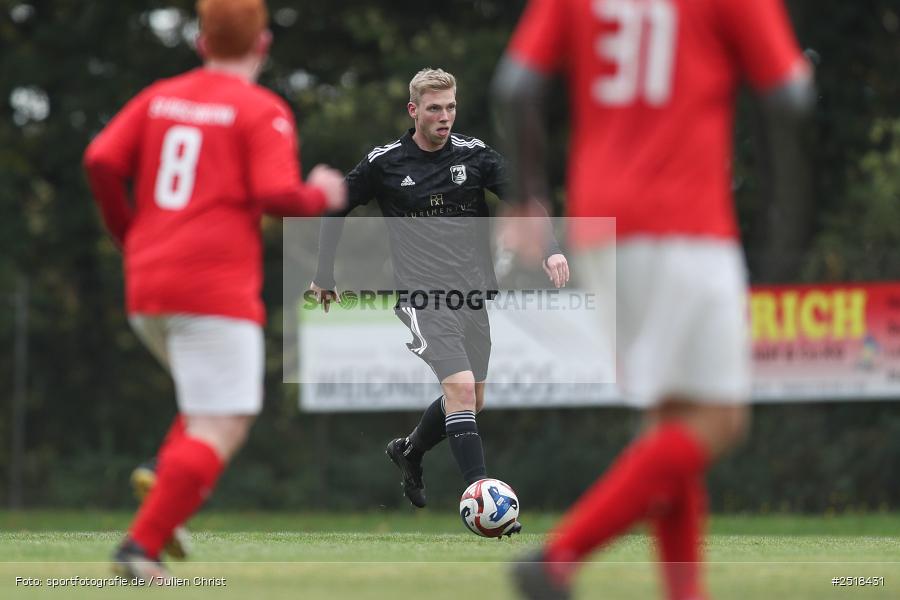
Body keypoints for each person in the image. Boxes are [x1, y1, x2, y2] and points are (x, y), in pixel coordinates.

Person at [492, 0, 814, 597]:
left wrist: (526, 197)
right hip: (686, 222)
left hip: (600, 225)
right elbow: (789, 94)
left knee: (671, 417)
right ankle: (560, 556)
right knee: (720, 419)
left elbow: (516, 86)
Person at [83, 0, 346, 577]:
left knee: (205, 407)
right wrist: (320, 195)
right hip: (210, 285)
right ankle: (141, 546)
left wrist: (130, 234)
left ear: (201, 42)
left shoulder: (159, 97)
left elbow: (101, 158)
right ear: (264, 44)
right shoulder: (262, 110)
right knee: (225, 419)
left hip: (148, 284)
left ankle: (167, 484)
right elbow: (279, 197)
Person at [309, 68, 568, 525]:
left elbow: (526, 201)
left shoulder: (475, 156)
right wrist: (323, 275)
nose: (444, 116)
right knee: (461, 390)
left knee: (472, 401)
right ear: (414, 111)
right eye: (434, 108)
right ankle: (486, 501)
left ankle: (409, 450)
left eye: (450, 107)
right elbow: (335, 208)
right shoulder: (384, 162)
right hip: (421, 297)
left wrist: (550, 250)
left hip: (471, 297)